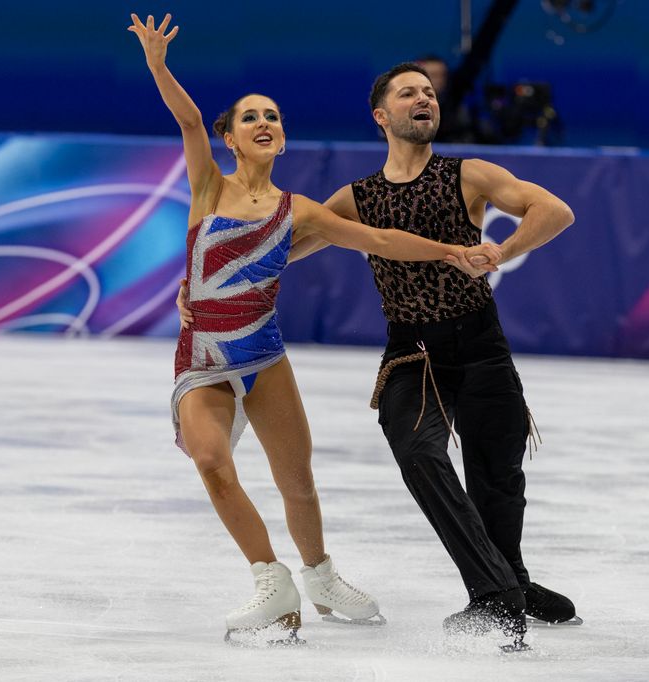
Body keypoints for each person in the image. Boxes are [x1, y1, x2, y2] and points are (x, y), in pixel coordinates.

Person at [128, 16, 501, 644]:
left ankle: (321, 578)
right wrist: (159, 65)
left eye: (272, 115)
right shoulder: (207, 186)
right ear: (230, 137)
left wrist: (448, 251)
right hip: (204, 356)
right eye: (250, 117)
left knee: (296, 479)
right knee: (213, 462)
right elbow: (188, 121)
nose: (265, 122)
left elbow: (379, 239)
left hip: (265, 357)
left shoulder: (299, 210)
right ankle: (271, 583)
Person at [288, 62, 579, 650]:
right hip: (412, 352)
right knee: (419, 452)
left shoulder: (468, 174)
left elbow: (554, 210)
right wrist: (213, 274)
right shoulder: (356, 198)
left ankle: (509, 583)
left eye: (429, 92)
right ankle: (499, 595)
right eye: (408, 93)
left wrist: (502, 250)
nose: (424, 98)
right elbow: (288, 250)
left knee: (498, 476)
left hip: (480, 343)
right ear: (382, 115)